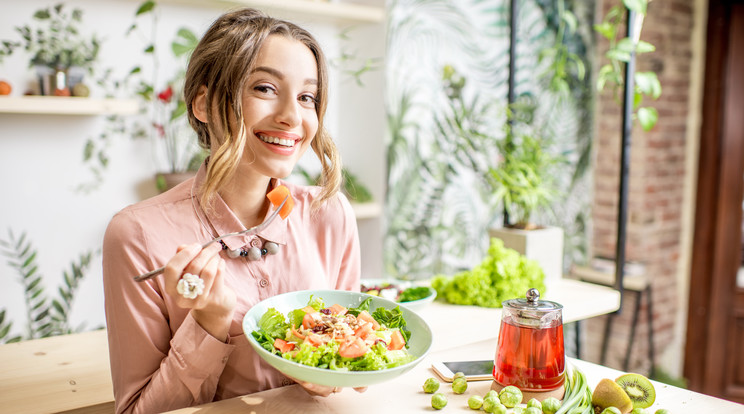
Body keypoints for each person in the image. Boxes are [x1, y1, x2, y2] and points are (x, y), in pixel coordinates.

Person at [102, 8, 362, 414]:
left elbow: (356, 363)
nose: (292, 116)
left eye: (307, 97)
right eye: (264, 88)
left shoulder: (329, 214)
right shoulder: (136, 235)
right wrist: (209, 322)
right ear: (204, 104)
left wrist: (331, 371)